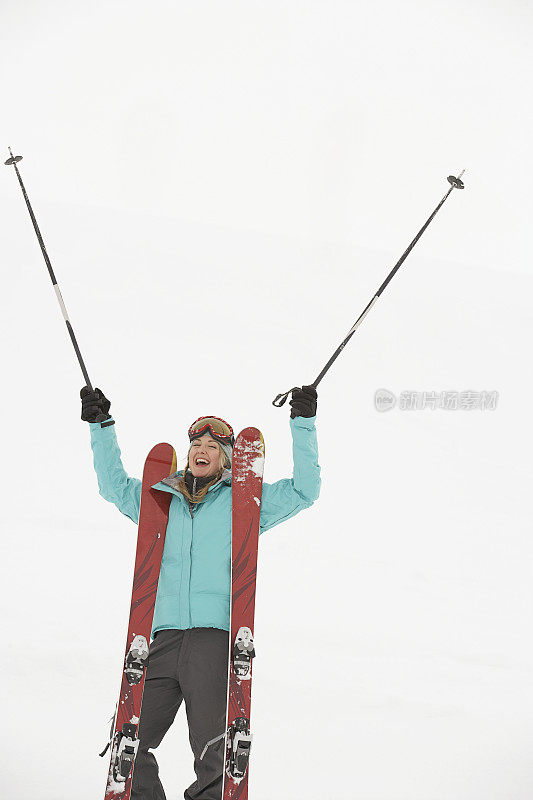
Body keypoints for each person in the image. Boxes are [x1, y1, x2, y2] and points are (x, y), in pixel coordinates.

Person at [81, 385, 321, 800]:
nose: (201, 449)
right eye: (196, 443)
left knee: (213, 750)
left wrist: (302, 422)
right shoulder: (160, 501)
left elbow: (305, 490)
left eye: (212, 445)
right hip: (160, 637)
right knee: (129, 739)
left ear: (226, 458)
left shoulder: (244, 504)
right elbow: (113, 486)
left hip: (214, 638)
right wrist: (101, 425)